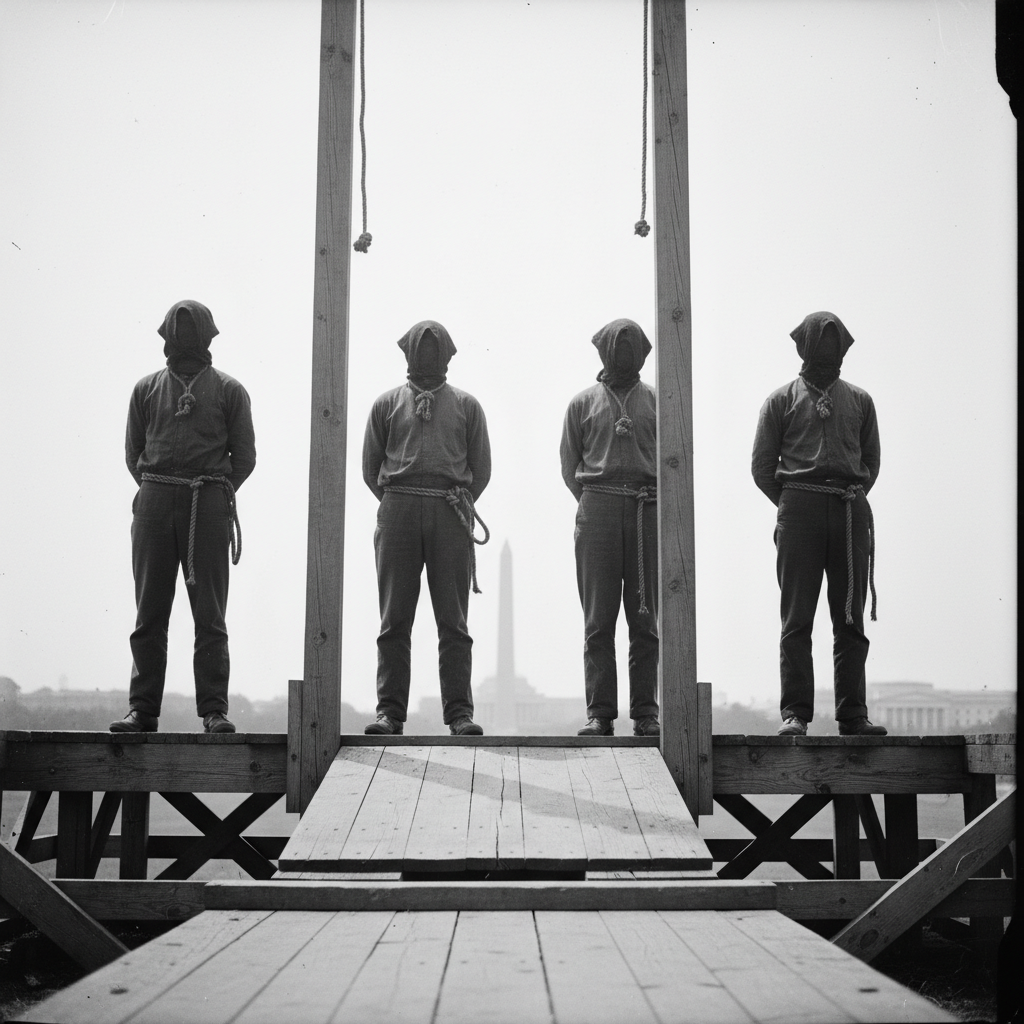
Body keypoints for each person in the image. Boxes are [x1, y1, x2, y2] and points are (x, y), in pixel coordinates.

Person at [111, 299, 255, 735]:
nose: (186, 335)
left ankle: (214, 710)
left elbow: (244, 458)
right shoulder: (146, 389)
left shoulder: (230, 391)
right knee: (149, 613)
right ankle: (142, 709)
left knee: (209, 615)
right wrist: (159, 487)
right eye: (180, 327)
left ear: (209, 335)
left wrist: (212, 490)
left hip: (206, 503)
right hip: (154, 502)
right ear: (167, 335)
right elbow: (133, 452)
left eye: (193, 328)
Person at [751, 310, 885, 737]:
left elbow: (872, 462)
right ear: (803, 347)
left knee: (850, 619)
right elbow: (761, 467)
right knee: (797, 619)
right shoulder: (779, 400)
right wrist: (794, 501)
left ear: (845, 346)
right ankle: (795, 713)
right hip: (799, 511)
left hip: (848, 511)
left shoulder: (861, 401)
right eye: (820, 341)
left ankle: (853, 714)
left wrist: (847, 497)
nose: (828, 349)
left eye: (835, 341)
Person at [361, 320, 491, 736]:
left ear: (449, 353)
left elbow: (481, 469)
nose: (429, 353)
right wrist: (400, 503)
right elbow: (370, 467)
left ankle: (459, 714)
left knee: (453, 622)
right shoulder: (386, 404)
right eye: (422, 346)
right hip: (397, 508)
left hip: (449, 510)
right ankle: (390, 713)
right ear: (408, 352)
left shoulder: (468, 406)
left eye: (435, 347)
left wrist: (450, 502)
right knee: (394, 619)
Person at [560, 318, 660, 737]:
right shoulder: (582, 404)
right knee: (598, 621)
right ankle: (600, 713)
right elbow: (570, 468)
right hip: (597, 509)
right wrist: (597, 501)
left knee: (645, 620)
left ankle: (646, 714)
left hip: (645, 509)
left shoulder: (658, 400)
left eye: (630, 344)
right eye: (616, 345)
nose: (623, 351)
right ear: (602, 351)